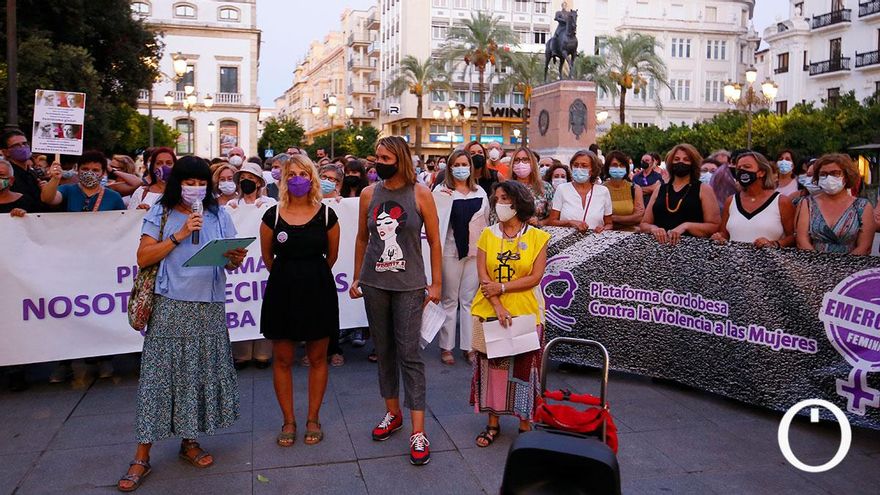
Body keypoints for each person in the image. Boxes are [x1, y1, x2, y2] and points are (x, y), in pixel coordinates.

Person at [117, 156, 246, 492]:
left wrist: (234, 258)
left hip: (210, 308)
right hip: (171, 306)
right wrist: (178, 235)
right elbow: (143, 257)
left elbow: (229, 261)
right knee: (158, 378)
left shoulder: (219, 214)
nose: (195, 188)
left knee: (198, 374)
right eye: (188, 182)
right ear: (178, 183)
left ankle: (189, 442)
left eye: (201, 182)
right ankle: (141, 455)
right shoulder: (159, 212)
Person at [350, 136, 442, 466]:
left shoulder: (420, 193)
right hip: (375, 284)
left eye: (385, 157)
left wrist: (437, 283)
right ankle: (393, 413)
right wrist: (357, 275)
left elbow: (434, 240)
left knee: (410, 354)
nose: (378, 162)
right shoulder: (368, 194)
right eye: (376, 157)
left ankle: (419, 430)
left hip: (409, 286)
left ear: (399, 158)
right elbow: (363, 236)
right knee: (384, 350)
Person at [260, 152, 340, 447]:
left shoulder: (328, 215)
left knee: (318, 358)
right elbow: (268, 258)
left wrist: (308, 275)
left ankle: (312, 418)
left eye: (303, 174)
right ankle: (289, 420)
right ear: (283, 179)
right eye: (291, 174)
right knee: (282, 359)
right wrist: (291, 275)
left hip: (318, 291)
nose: (297, 179)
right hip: (282, 292)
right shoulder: (273, 215)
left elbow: (330, 257)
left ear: (312, 178)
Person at [470, 180, 550, 447]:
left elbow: (535, 277)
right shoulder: (487, 234)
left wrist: (502, 287)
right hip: (490, 311)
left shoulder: (537, 237)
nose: (499, 203)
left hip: (526, 313)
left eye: (505, 198)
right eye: (498, 198)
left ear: (518, 203)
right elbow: (483, 275)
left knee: (525, 370)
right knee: (493, 369)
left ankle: (525, 424)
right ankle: (492, 422)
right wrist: (498, 304)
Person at [433, 150, 489, 366]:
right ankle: (446, 347)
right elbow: (435, 223)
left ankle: (469, 347)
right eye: (456, 164)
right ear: (449, 167)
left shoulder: (480, 192)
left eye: (464, 163)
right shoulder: (441, 190)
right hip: (450, 251)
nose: (461, 168)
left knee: (468, 301)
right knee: (449, 300)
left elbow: (486, 220)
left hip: (475, 253)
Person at [711, 151, 795, 248]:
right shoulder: (731, 200)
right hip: (734, 260)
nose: (742, 171)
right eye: (739, 168)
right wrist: (719, 237)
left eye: (747, 167)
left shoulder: (781, 201)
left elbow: (793, 237)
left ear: (762, 172)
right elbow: (725, 233)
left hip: (768, 261)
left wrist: (774, 244)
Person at [640, 144, 721, 244]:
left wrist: (686, 226)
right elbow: (644, 224)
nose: (681, 162)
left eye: (686, 159)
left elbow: (714, 226)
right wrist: (653, 229)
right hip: (658, 249)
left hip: (692, 251)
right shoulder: (660, 189)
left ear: (693, 163)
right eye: (677, 159)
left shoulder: (704, 189)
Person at [796, 154, 876, 255]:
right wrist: (818, 264)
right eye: (823, 174)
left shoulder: (862, 206)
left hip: (852, 266)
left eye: (835, 173)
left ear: (846, 176)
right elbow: (802, 240)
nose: (829, 177)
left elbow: (865, 246)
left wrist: (844, 266)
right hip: (814, 264)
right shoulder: (808, 204)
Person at [546, 150, 613, 232]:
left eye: (584, 166)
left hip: (595, 241)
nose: (579, 169)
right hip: (567, 241)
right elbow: (551, 222)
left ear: (593, 170)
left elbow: (609, 223)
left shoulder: (603, 191)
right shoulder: (562, 189)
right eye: (576, 165)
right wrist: (569, 222)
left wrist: (603, 228)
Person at [42, 150, 126, 212]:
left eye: (95, 170)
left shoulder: (114, 197)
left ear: (103, 173)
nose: (89, 173)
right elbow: (48, 199)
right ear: (77, 170)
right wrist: (55, 179)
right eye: (85, 169)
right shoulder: (67, 190)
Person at [509, 147, 554, 225]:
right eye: (517, 160)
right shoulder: (506, 188)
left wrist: (539, 222)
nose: (521, 163)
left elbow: (553, 216)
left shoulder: (545, 187)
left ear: (532, 163)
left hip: (538, 233)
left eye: (525, 159)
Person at [603, 151, 645, 231]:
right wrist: (628, 219)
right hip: (607, 234)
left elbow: (639, 217)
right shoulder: (602, 189)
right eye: (614, 165)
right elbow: (598, 217)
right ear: (607, 167)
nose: (618, 168)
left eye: (622, 165)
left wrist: (613, 218)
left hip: (632, 234)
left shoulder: (634, 188)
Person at [2, 130, 42, 208]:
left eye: (25, 143)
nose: (23, 147)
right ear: (5, 152)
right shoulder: (6, 175)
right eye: (16, 145)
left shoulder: (32, 173)